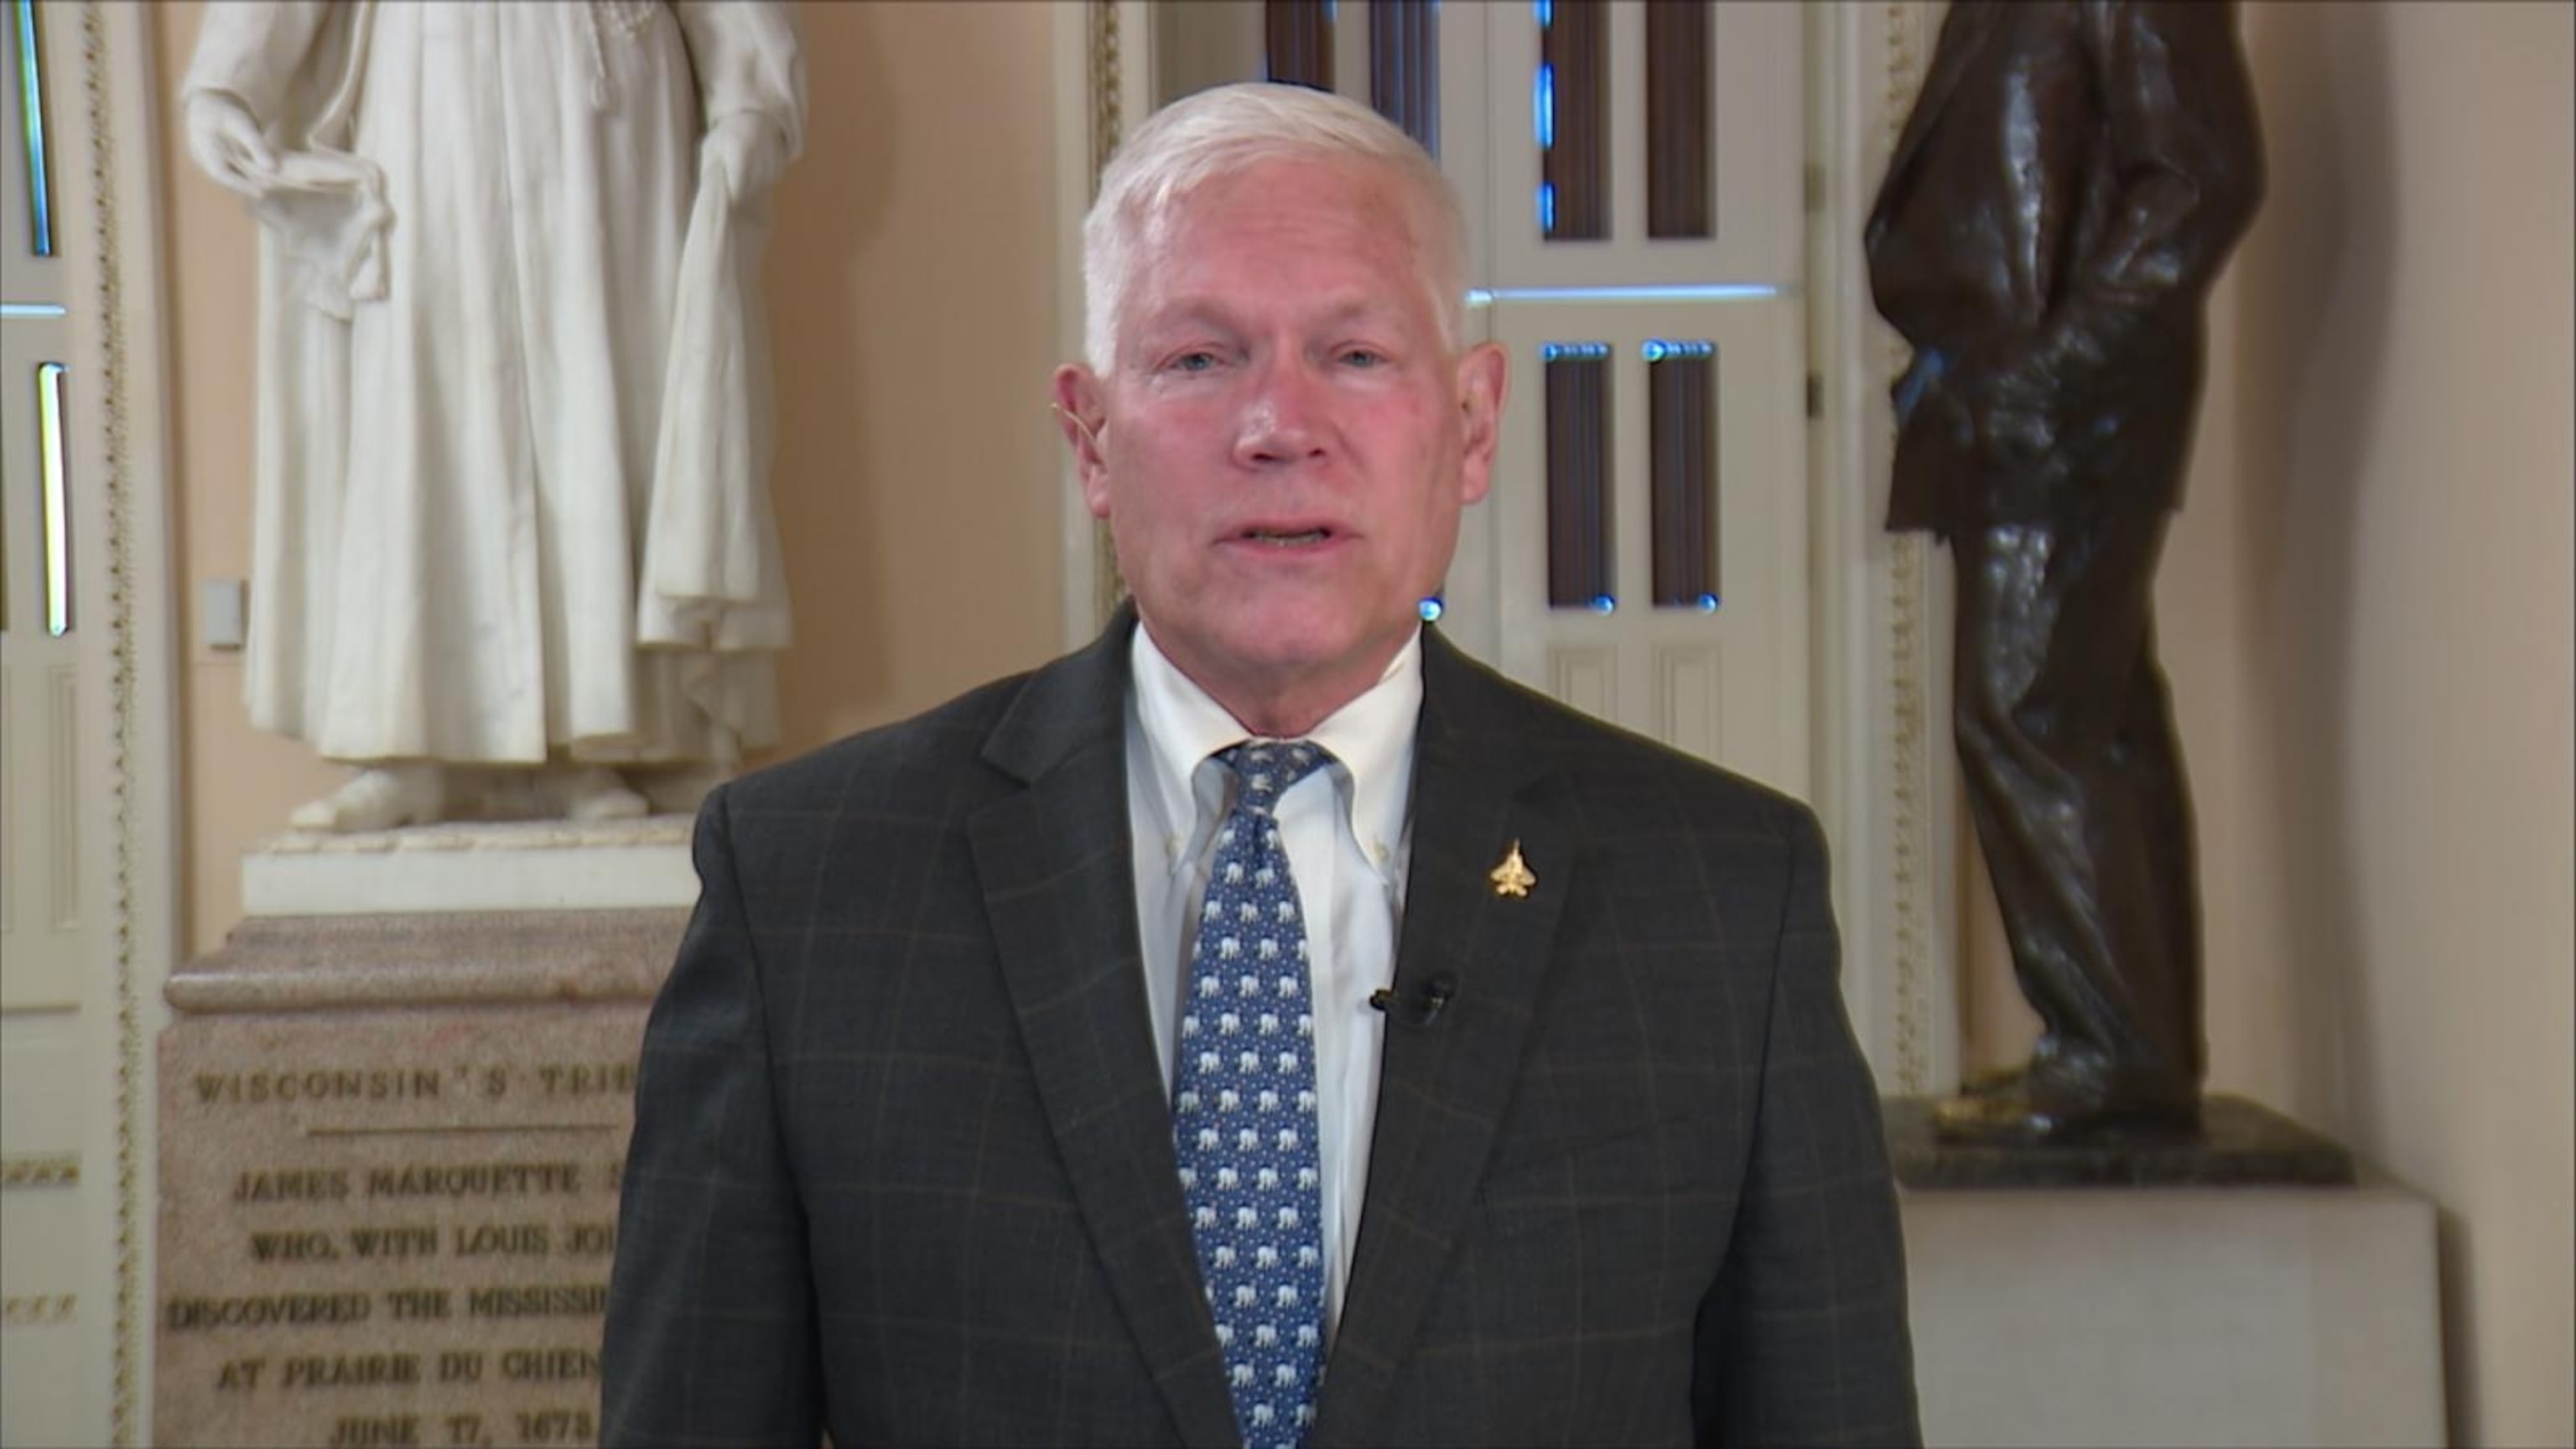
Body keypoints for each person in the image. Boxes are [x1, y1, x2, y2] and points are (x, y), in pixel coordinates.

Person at [605, 82, 1916, 1447]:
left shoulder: (1721, 896)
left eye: (1355, 354)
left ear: (1472, 424)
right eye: (1198, 359)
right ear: (1090, 438)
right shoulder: (809, 886)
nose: (1280, 425)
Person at [180, 2, 803, 832]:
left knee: (597, 407)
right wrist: (226, 81)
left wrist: (751, 96)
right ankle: (409, 748)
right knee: (422, 402)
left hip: (603, 110)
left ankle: (588, 742)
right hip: (433, 89)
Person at [1865, 1, 2263, 1141]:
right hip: (2015, 406)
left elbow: (2201, 179)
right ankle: (2125, 1049)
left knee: (2026, 712)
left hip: (2070, 416)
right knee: (2092, 721)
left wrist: (2051, 370)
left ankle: (2110, 1054)